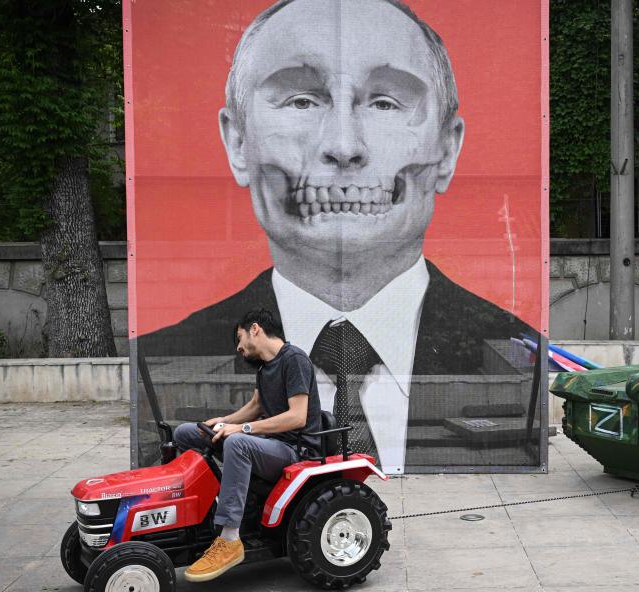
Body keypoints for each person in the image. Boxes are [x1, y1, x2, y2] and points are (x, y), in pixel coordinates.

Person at [139, 0, 541, 474]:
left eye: (386, 103)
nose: (345, 146)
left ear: (447, 148)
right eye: (301, 101)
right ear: (238, 142)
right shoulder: (163, 351)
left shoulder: (511, 346)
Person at [173, 308, 322, 582]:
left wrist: (240, 429)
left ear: (255, 329)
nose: (239, 348)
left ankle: (229, 539)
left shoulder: (295, 360)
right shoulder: (266, 367)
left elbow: (297, 416)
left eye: (239, 338)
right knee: (187, 433)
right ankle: (198, 509)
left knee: (238, 443)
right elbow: (256, 406)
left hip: (295, 450)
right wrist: (222, 421)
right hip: (268, 443)